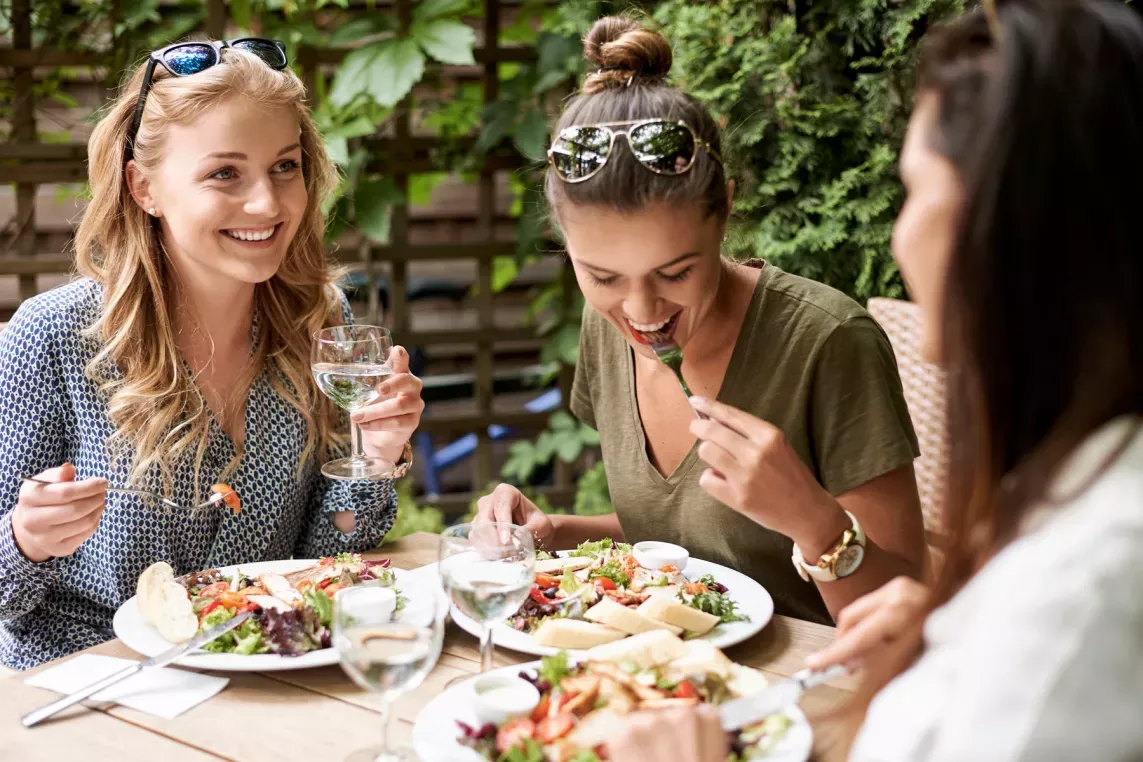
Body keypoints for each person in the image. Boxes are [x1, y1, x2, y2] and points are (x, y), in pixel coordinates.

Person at [607, 1, 1143, 759]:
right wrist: (946, 635)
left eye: (916, 186)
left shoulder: (1079, 591)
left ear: (1014, 226)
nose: (900, 229)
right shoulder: (1073, 501)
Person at [476, 17, 927, 624]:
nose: (641, 313)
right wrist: (554, 532)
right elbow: (682, 541)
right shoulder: (602, 329)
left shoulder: (829, 341)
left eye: (676, 272)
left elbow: (908, 620)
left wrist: (812, 521)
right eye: (604, 277)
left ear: (726, 210)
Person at [0, 40, 424, 669]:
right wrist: (25, 541)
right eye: (224, 173)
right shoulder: (55, 337)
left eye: (285, 166)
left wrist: (377, 456)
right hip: (91, 686)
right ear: (143, 187)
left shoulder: (318, 324)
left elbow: (319, 562)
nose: (267, 203)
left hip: (259, 678)